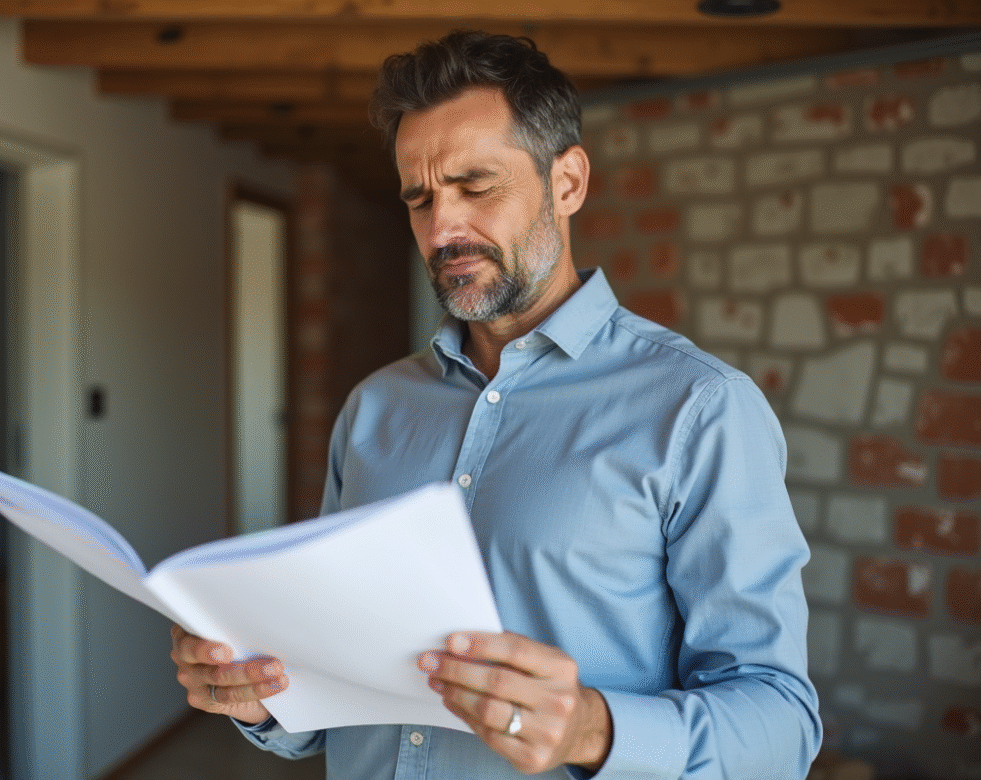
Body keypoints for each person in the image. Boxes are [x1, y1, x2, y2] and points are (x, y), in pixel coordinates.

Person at [171, 30, 821, 779]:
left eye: (476, 187)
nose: (443, 229)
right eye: (419, 199)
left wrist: (591, 730)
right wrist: (262, 699)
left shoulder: (700, 409)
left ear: (568, 182)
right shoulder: (373, 409)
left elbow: (781, 725)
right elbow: (336, 684)